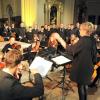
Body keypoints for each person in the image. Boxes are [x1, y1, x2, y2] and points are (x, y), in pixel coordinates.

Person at [53, 22, 97, 100]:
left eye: (80, 29)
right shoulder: (92, 39)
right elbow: (94, 56)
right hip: (89, 67)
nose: (79, 31)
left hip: (82, 68)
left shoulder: (83, 40)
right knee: (84, 86)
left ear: (84, 30)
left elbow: (70, 50)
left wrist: (59, 38)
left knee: (81, 87)